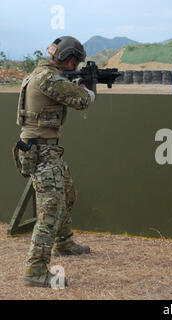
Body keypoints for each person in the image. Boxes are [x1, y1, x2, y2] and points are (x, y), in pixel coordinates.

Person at [14, 36, 96, 288]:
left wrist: (79, 82)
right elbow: (83, 101)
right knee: (50, 211)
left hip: (48, 150)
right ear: (68, 59)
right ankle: (35, 270)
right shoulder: (48, 79)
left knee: (68, 195)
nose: (75, 66)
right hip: (40, 152)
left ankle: (64, 242)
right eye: (75, 62)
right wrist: (90, 86)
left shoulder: (42, 74)